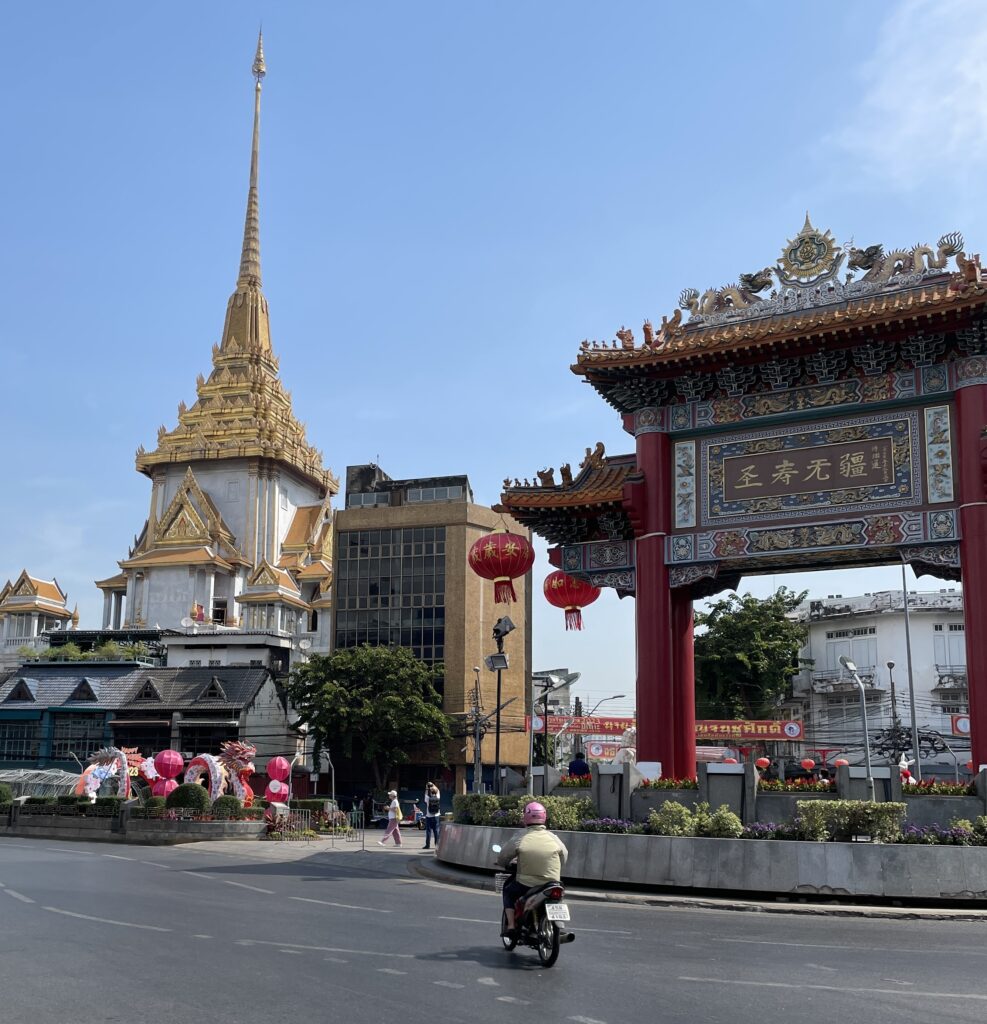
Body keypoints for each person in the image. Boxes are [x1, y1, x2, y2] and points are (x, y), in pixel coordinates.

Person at [495, 801, 568, 937]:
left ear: (526, 817)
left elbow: (504, 855)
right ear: (544, 817)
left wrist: (502, 863)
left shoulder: (521, 837)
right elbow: (564, 855)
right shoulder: (553, 837)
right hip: (552, 883)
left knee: (508, 891)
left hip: (527, 884)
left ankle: (510, 926)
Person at [423, 781, 441, 850]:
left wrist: (427, 788)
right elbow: (437, 790)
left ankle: (427, 845)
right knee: (436, 831)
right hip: (436, 816)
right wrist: (433, 785)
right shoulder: (438, 797)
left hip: (429, 816)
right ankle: (437, 845)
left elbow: (426, 794)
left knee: (428, 831)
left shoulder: (427, 798)